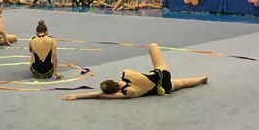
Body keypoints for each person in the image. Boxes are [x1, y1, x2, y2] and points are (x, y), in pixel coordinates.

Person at [62, 43, 208, 100]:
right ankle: (201, 78)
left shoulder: (127, 93)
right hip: (160, 75)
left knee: (181, 83)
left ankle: (201, 79)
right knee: (152, 46)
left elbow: (99, 95)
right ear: (112, 81)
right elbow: (101, 93)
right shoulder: (126, 74)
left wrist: (77, 95)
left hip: (163, 88)